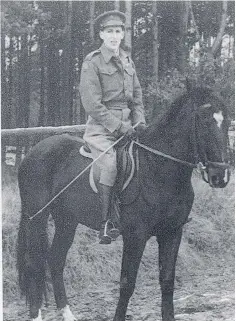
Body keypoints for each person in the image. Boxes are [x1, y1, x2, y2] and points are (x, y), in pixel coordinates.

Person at [79, 10, 147, 244]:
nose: (114, 36)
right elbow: (91, 103)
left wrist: (139, 121)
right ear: (101, 34)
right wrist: (118, 126)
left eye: (118, 31)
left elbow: (137, 96)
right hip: (101, 129)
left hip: (129, 126)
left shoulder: (128, 60)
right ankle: (107, 222)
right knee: (109, 164)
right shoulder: (93, 62)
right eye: (109, 31)